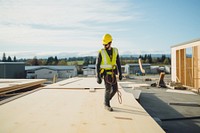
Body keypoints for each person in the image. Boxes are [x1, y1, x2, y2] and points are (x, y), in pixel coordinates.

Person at [96, 33, 122, 111]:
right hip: (106, 74)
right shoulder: (101, 52)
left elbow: (118, 62)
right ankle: (107, 104)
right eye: (104, 44)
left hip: (113, 73)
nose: (105, 46)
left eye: (106, 44)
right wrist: (98, 76)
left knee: (115, 89)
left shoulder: (115, 51)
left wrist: (120, 73)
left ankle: (106, 101)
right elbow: (97, 64)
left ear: (110, 43)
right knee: (107, 89)